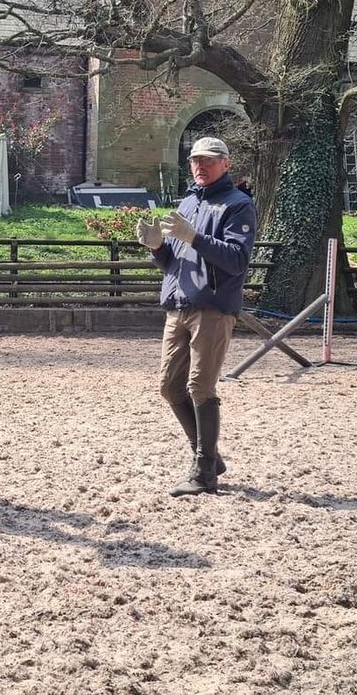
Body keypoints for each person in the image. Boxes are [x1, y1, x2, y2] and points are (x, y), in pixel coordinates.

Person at [135, 137, 257, 496]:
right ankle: (210, 456)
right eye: (195, 161)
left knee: (200, 387)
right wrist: (156, 247)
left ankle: (204, 472)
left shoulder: (238, 205)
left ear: (225, 164)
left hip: (213, 308)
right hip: (178, 304)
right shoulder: (187, 203)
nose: (200, 166)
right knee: (169, 386)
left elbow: (236, 260)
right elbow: (171, 262)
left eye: (208, 160)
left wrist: (196, 238)